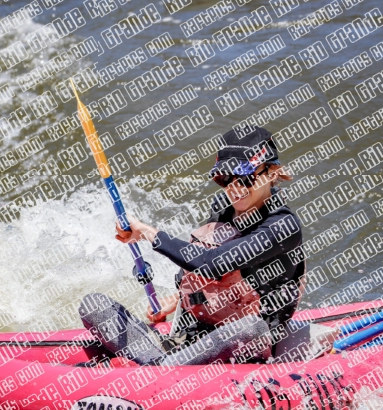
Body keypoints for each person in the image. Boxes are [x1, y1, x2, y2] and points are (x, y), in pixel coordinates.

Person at [79, 125, 305, 366]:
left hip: (244, 349)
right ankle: (161, 364)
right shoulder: (224, 208)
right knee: (94, 305)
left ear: (271, 172)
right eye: (225, 178)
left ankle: (157, 370)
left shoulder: (283, 226)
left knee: (251, 327)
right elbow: (204, 272)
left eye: (245, 177)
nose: (235, 188)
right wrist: (177, 300)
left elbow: (212, 263)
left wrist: (148, 233)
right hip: (194, 340)